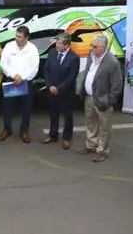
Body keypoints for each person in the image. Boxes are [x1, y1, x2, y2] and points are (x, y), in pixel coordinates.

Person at [76, 34, 123, 162]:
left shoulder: (112, 62)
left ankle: (102, 150)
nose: (91, 48)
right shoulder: (91, 56)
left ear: (103, 47)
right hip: (89, 97)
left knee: (104, 127)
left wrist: (109, 101)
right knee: (91, 123)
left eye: (94, 46)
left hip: (103, 99)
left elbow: (117, 85)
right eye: (91, 45)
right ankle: (91, 144)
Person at [0, 25, 39, 143]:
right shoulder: (9, 46)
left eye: (20, 37)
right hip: (10, 81)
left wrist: (23, 78)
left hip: (25, 82)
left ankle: (24, 131)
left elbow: (34, 68)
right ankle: (7, 129)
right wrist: (13, 76)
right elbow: (3, 63)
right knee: (7, 107)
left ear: (27, 37)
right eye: (16, 36)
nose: (16, 38)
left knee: (26, 108)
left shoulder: (32, 49)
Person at [42, 33, 79, 149]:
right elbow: (46, 69)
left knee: (67, 116)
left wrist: (59, 88)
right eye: (56, 43)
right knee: (53, 114)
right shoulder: (52, 53)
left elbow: (71, 77)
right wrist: (50, 86)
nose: (56, 45)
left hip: (66, 93)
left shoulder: (74, 58)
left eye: (59, 43)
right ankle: (53, 135)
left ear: (67, 45)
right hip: (51, 90)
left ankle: (67, 138)